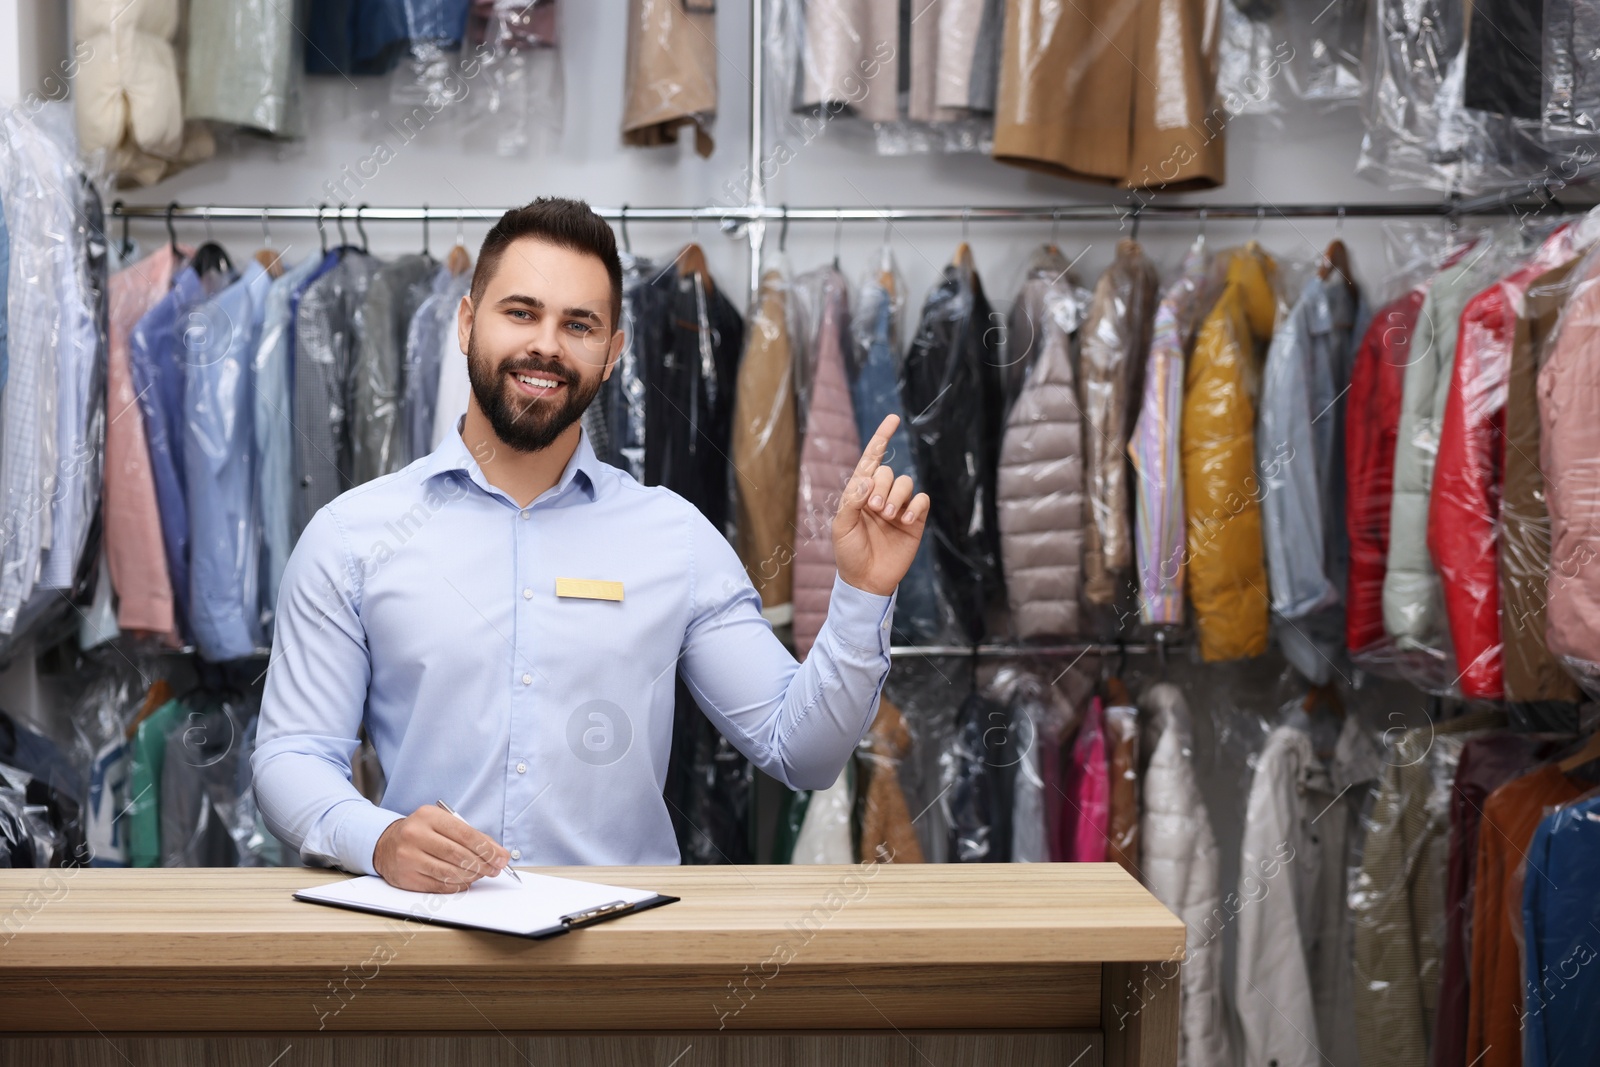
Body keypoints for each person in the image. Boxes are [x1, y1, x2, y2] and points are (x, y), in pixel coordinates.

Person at [251, 198, 930, 891]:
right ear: (465, 323)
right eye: (521, 312)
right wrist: (380, 838)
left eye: (579, 324)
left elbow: (802, 753)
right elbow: (290, 754)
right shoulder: (351, 536)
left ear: (612, 355)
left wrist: (862, 592)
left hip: (621, 964)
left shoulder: (675, 540)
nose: (547, 344)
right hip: (427, 956)